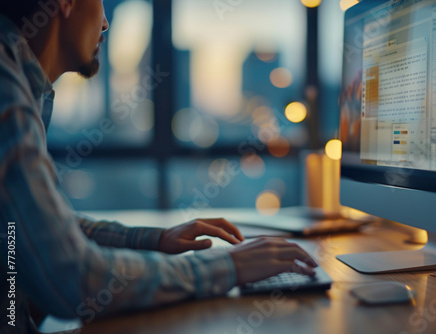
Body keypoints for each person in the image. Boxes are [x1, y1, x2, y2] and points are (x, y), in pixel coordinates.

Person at [0, 1, 317, 333]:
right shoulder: (6, 92)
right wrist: (228, 265)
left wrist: (156, 239)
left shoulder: (19, 82)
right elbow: (74, 278)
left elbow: (46, 227)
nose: (105, 23)